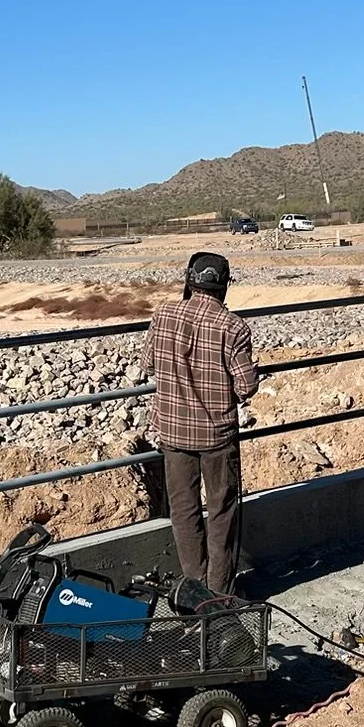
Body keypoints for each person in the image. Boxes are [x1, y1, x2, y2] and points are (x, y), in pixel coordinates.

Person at [145, 251, 259, 595]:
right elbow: (246, 387)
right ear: (224, 286)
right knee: (222, 513)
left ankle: (194, 593)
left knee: (184, 511)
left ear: (189, 281)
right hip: (217, 436)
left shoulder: (163, 314)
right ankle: (220, 595)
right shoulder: (234, 327)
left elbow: (149, 364)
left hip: (174, 432)